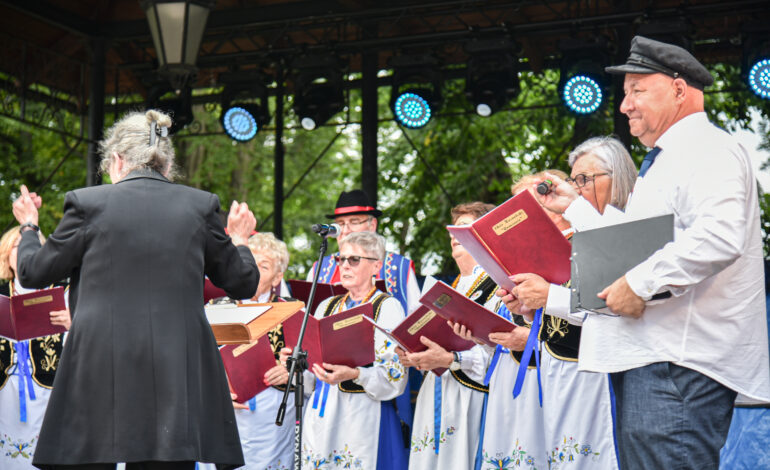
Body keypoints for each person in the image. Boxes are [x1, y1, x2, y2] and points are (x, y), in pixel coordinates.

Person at [534, 36, 770, 469]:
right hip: (658, 361)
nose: (625, 105)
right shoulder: (667, 160)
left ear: (680, 90)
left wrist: (638, 283)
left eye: (638, 90)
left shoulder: (706, 147)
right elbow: (626, 256)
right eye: (625, 94)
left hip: (677, 366)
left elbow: (719, 236)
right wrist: (575, 207)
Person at [12, 109, 259, 470]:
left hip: (98, 364)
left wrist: (30, 228)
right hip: (176, 368)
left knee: (89, 457)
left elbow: (33, 272)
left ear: (116, 159)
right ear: (166, 163)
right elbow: (243, 282)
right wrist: (239, 240)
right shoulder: (201, 206)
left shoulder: (87, 203)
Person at [400, 202, 498, 470]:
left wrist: (452, 357)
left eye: (464, 229)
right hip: (435, 390)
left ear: (485, 235)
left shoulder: (498, 285)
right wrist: (415, 353)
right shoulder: (446, 289)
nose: (455, 236)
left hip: (468, 394)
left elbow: (500, 352)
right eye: (453, 231)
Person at [299, 231, 407, 470]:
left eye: (354, 260)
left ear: (376, 266)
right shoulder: (326, 306)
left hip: (364, 414)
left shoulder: (387, 307)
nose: (344, 266)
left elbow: (395, 377)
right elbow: (309, 379)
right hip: (322, 413)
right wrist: (299, 364)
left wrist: (356, 374)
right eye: (341, 259)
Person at [0, 226, 71, 470]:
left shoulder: (64, 296)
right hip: (5, 393)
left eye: (30, 246)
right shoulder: (0, 295)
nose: (22, 252)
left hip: (49, 392)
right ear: (6, 253)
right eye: (17, 246)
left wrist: (72, 324)